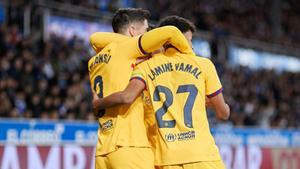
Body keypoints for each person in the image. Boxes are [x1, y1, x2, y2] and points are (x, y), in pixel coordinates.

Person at [92, 18, 230, 169]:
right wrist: (222, 106)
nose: (191, 45)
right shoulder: (203, 64)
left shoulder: (145, 67)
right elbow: (223, 114)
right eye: (189, 40)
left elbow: (127, 95)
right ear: (178, 39)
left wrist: (98, 102)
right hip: (203, 156)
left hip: (166, 159)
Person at [88, 8, 193, 169]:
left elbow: (95, 38)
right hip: (130, 146)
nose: (147, 35)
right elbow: (171, 31)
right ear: (132, 31)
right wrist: (190, 58)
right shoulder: (128, 46)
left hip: (103, 151)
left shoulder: (95, 61)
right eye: (145, 31)